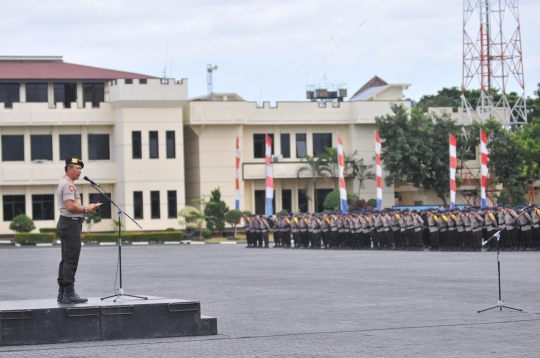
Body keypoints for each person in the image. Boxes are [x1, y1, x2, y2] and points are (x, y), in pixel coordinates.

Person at [57, 157, 100, 304]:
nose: (80, 171)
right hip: (70, 224)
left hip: (66, 223)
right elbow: (70, 206)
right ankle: (69, 293)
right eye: (77, 168)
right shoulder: (68, 186)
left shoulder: (65, 183)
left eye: (81, 169)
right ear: (69, 169)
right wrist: (87, 208)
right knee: (71, 259)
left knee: (66, 259)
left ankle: (62, 293)